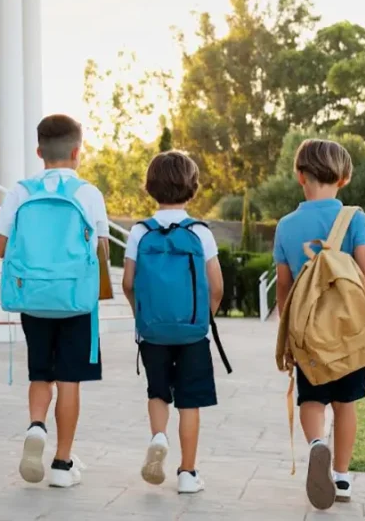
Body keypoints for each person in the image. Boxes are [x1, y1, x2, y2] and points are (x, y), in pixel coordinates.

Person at [0, 114, 109, 488]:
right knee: (69, 380)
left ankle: (37, 425)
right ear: (77, 151)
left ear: (39, 152)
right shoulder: (88, 194)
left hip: (34, 298)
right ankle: (62, 463)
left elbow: (0, 247)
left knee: (41, 372)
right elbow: (102, 251)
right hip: (76, 301)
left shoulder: (21, 191)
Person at [273, 139, 365, 508]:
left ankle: (317, 443)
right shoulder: (354, 218)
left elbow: (284, 287)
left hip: (308, 333)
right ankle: (342, 476)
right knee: (346, 402)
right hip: (349, 331)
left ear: (299, 176)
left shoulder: (286, 226)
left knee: (313, 398)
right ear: (344, 177)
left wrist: (289, 334)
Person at [121, 151, 224, 494]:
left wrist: (142, 316)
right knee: (189, 402)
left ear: (150, 187)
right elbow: (217, 286)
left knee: (158, 392)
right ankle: (188, 473)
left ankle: (159, 436)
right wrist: (203, 318)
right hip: (193, 332)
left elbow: (128, 282)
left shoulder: (139, 231)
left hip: (152, 331)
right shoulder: (200, 232)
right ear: (192, 188)